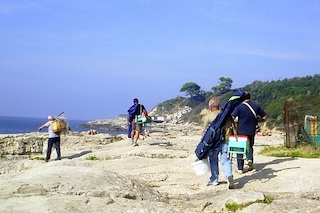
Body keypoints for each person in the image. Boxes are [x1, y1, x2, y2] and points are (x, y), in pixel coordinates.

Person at [202, 98, 234, 189]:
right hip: (226, 141)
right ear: (219, 106)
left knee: (213, 160)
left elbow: (204, 131)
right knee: (225, 160)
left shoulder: (209, 116)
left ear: (210, 107)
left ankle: (214, 179)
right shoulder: (226, 115)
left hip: (214, 143)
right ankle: (229, 175)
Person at [231, 91, 267, 173]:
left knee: (239, 149)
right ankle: (249, 160)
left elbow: (232, 117)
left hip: (241, 130)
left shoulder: (239, 107)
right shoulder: (256, 106)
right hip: (251, 130)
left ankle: (240, 168)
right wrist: (257, 121)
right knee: (250, 146)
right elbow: (265, 117)